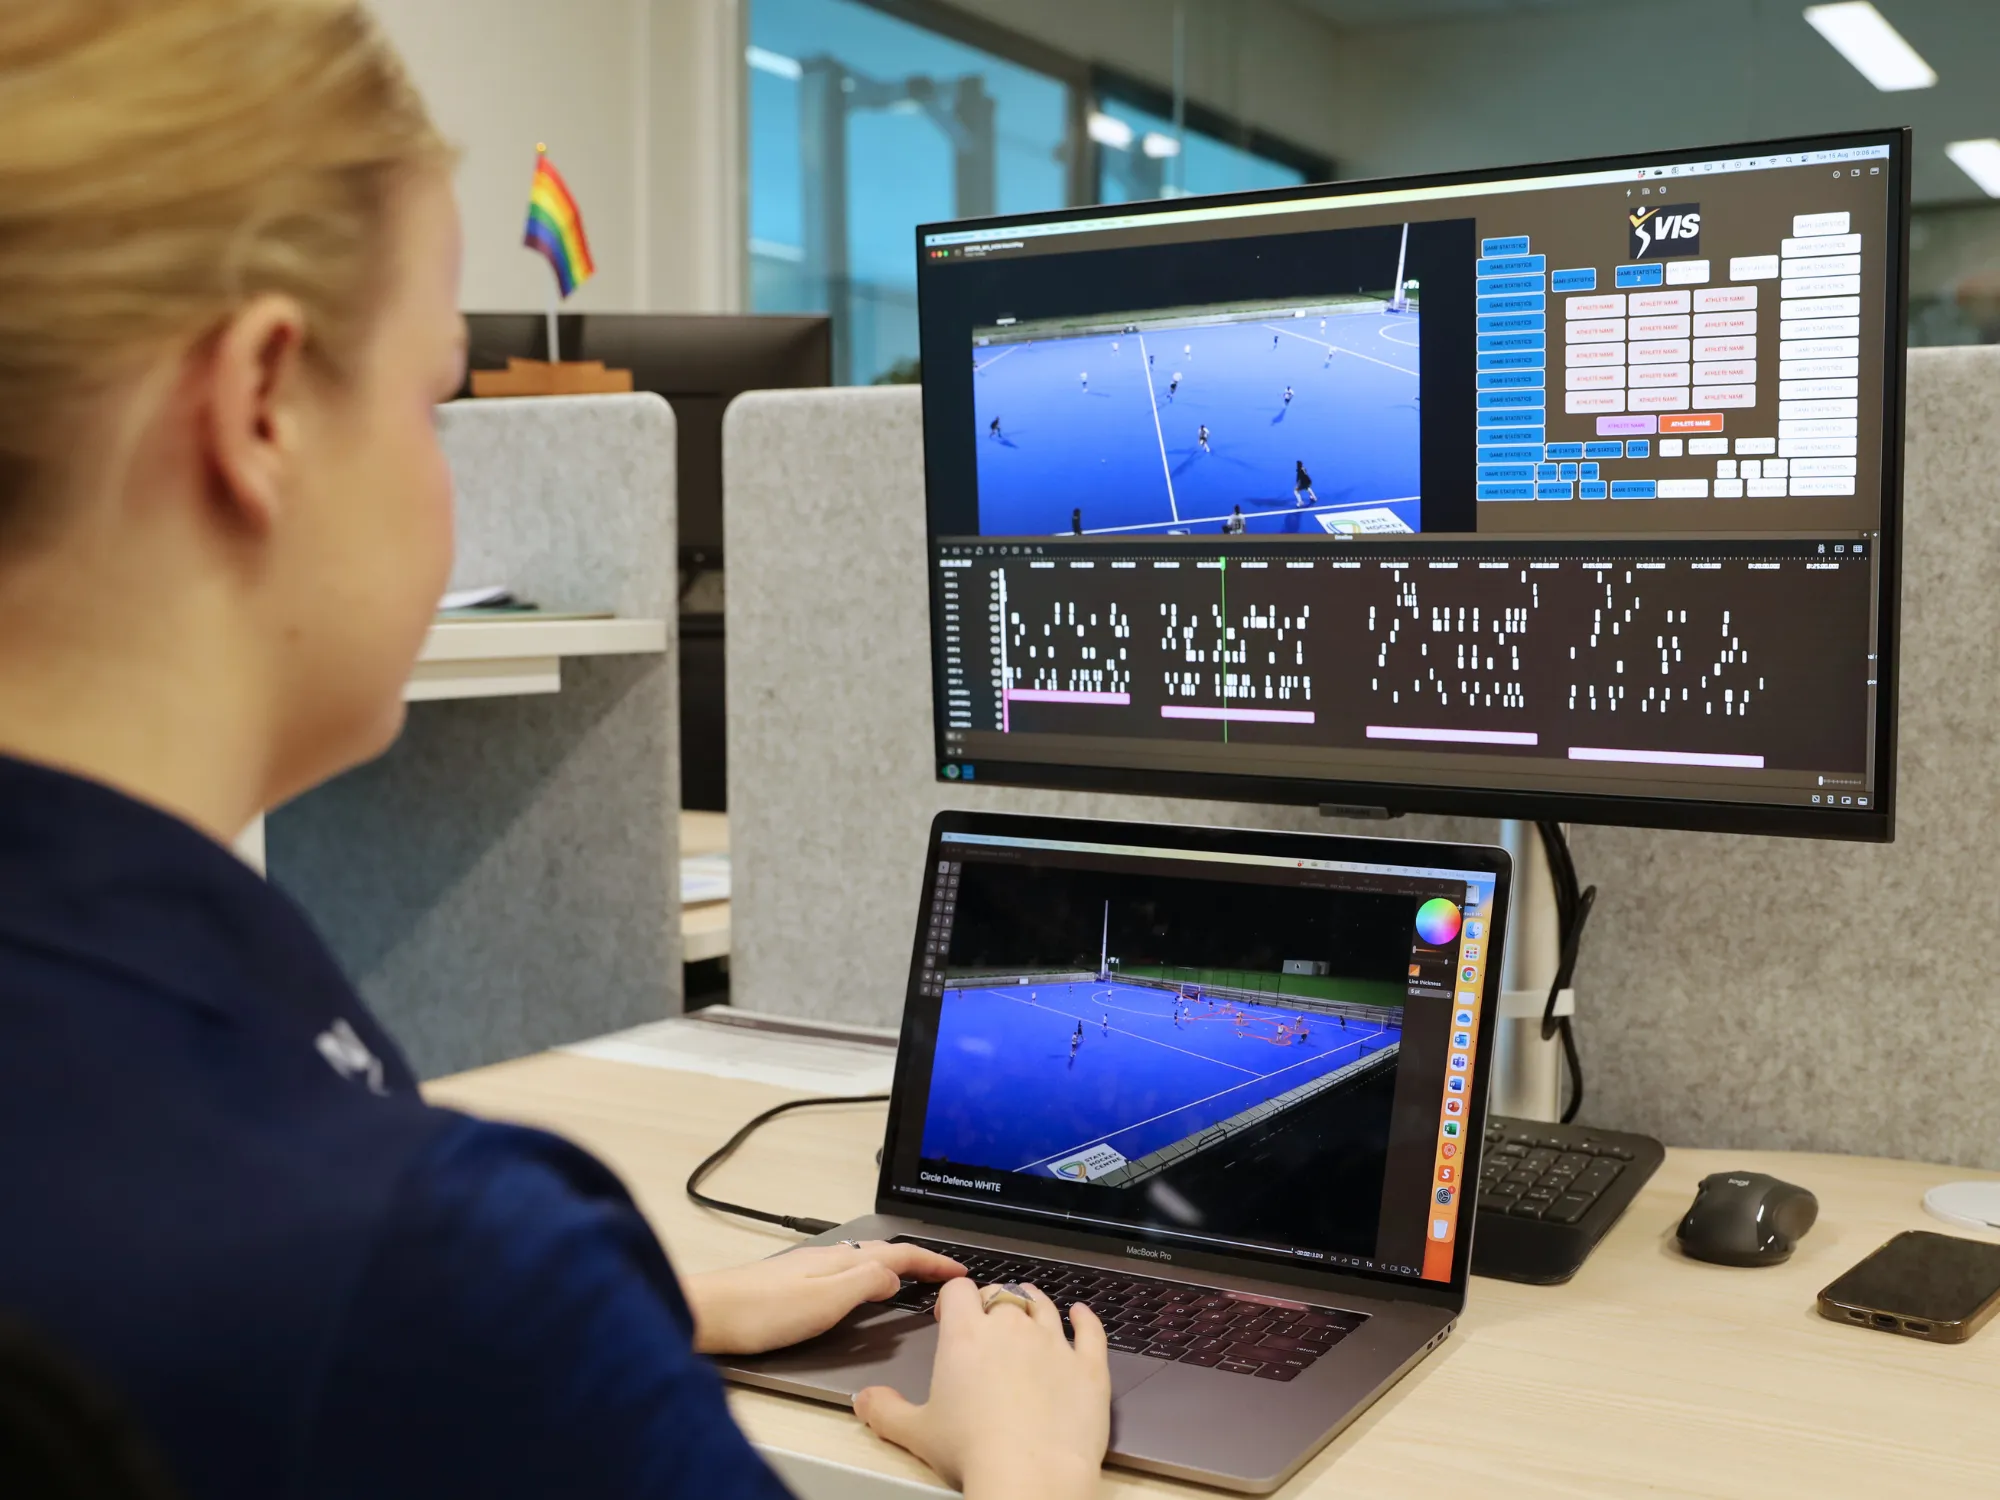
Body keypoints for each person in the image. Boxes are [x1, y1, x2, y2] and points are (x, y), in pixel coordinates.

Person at [0, 6, 1111, 1500]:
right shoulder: (442, 1268)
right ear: (260, 407)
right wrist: (1029, 1470)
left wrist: (624, 1298)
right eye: (435, 397)